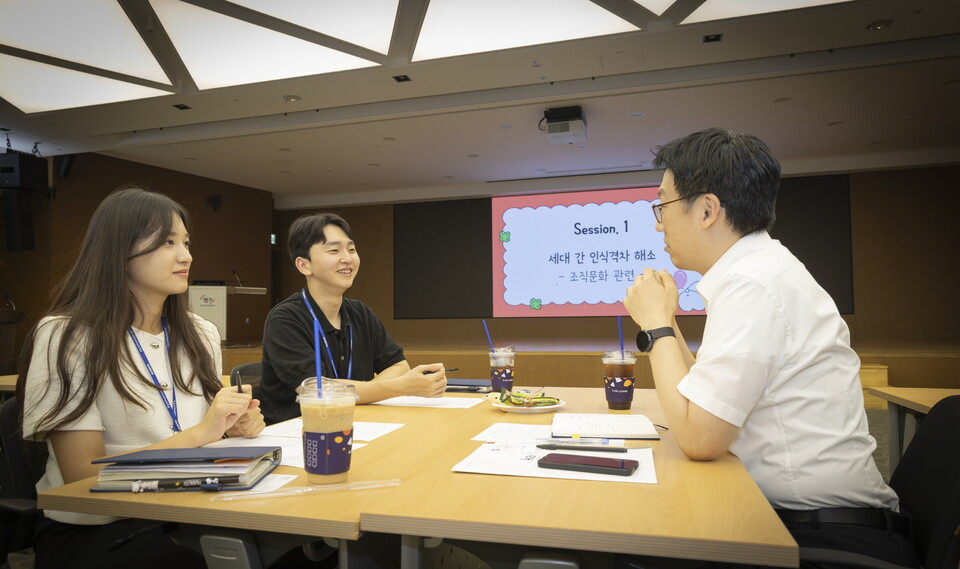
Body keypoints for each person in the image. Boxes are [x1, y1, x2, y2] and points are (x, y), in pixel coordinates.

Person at [622, 128, 917, 567]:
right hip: (807, 520)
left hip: (828, 539)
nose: (658, 223)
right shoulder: (759, 269)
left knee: (629, 546)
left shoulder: (752, 283)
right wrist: (664, 323)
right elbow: (699, 395)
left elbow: (699, 438)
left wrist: (656, 327)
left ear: (707, 210)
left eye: (662, 206)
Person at [16, 188, 265, 569]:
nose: (186, 255)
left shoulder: (200, 332)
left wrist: (234, 426)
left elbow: (203, 430)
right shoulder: (67, 335)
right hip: (103, 529)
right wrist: (202, 434)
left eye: (185, 241)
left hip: (194, 510)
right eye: (168, 242)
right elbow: (81, 476)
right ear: (119, 249)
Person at [259, 213, 446, 425]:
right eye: (334, 250)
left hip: (357, 423)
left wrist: (365, 393)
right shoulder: (285, 319)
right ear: (304, 265)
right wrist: (398, 387)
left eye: (351, 249)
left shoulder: (360, 312)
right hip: (297, 434)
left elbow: (399, 366)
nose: (347, 258)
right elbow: (317, 390)